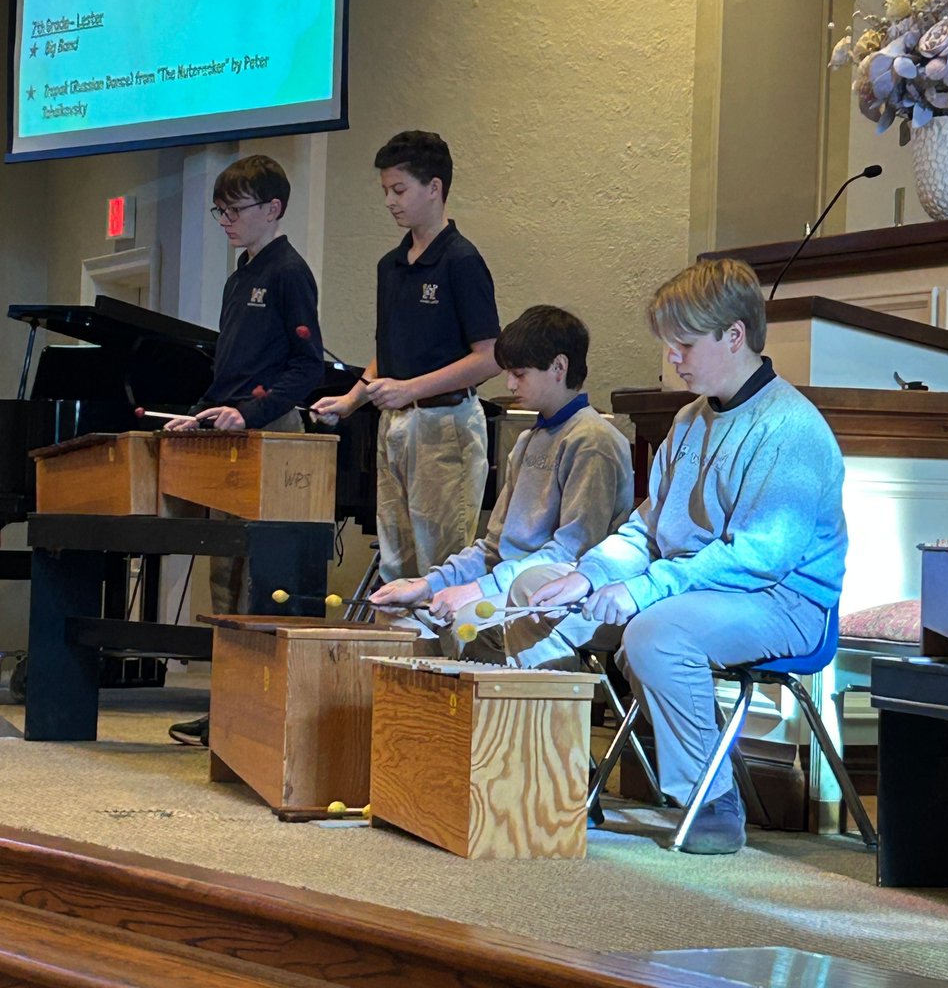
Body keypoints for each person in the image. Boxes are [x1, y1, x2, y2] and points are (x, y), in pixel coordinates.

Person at [503, 258, 847, 854]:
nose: (674, 359)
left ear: (734, 336)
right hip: (691, 588)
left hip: (781, 599)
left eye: (685, 344)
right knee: (532, 590)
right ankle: (559, 768)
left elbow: (758, 557)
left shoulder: (791, 428)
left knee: (656, 632)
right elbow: (646, 530)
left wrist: (641, 590)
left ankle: (712, 800)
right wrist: (586, 578)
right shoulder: (689, 420)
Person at [165, 153, 325, 746]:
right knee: (224, 572)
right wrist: (202, 412)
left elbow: (307, 366)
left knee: (263, 576)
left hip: (273, 436)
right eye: (220, 210)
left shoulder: (289, 272)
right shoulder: (240, 276)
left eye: (235, 209)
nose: (226, 219)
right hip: (231, 438)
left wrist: (250, 411)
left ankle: (262, 712)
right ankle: (227, 705)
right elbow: (232, 369)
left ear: (273, 209)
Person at [368, 305, 634, 656]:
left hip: (564, 594)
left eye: (519, 374)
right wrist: (427, 584)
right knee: (402, 620)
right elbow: (493, 548)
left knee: (465, 624)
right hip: (508, 585)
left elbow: (571, 553)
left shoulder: (593, 441)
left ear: (559, 367)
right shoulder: (528, 440)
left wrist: (479, 589)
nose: (509, 385)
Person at [311, 131, 500, 584]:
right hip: (394, 427)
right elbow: (388, 354)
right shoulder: (390, 265)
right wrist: (351, 400)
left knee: (441, 566)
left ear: (434, 188)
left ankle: (442, 655)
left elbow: (491, 357)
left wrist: (409, 390)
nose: (390, 202)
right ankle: (399, 655)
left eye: (399, 190)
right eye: (385, 192)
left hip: (445, 425)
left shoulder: (461, 260)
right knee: (395, 561)